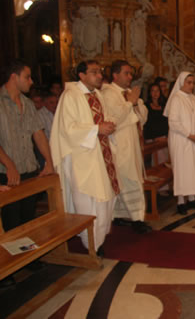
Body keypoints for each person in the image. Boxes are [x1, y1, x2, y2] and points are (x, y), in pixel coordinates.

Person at [50, 60, 118, 254]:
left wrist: (108, 126)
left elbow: (104, 120)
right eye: (94, 72)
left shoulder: (97, 95)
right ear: (81, 75)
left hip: (101, 156)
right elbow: (68, 129)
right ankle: (91, 244)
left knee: (104, 198)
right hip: (83, 160)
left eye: (100, 71)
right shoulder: (71, 96)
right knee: (89, 201)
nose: (99, 75)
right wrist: (97, 129)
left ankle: (99, 240)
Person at [0, 60, 54, 288]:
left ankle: (26, 258)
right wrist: (9, 164)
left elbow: (38, 134)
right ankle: (8, 267)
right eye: (27, 77)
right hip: (6, 171)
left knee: (26, 218)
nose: (31, 82)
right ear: (14, 77)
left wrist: (49, 162)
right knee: (9, 221)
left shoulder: (27, 103)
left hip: (29, 167)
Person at [101, 60, 151, 234]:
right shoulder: (108, 93)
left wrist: (135, 103)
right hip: (119, 144)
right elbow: (113, 119)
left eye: (131, 74)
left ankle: (122, 215)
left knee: (131, 178)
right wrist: (129, 103)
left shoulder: (130, 93)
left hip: (133, 143)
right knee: (128, 180)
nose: (130, 77)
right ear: (115, 75)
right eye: (126, 73)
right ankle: (137, 219)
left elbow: (143, 118)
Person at [163, 72, 195, 215]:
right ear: (181, 83)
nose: (191, 85)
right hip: (181, 140)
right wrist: (189, 135)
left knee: (194, 169)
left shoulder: (194, 99)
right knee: (182, 170)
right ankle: (181, 202)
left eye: (193, 82)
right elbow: (173, 123)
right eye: (188, 82)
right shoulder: (176, 99)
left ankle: (192, 198)